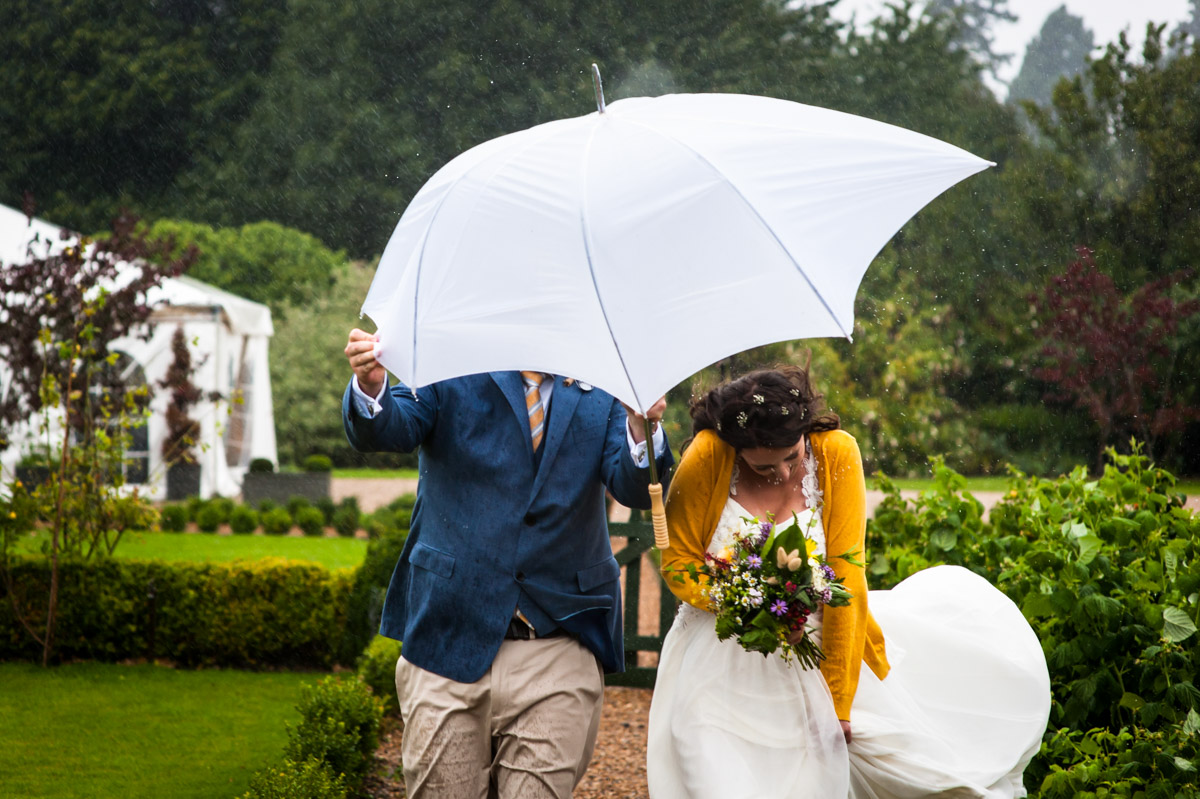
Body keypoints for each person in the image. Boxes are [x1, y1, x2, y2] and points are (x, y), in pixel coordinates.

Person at [647, 365, 1051, 799]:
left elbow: (847, 575)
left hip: (816, 654)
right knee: (714, 778)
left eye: (792, 457)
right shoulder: (709, 453)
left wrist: (838, 701)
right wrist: (752, 603)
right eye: (765, 467)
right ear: (738, 447)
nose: (783, 475)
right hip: (716, 663)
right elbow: (679, 563)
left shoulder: (838, 453)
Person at [343, 328, 674, 799]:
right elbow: (389, 428)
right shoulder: (451, 357)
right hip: (448, 634)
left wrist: (644, 428)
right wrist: (372, 386)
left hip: (560, 638)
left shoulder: (606, 375)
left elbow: (635, 488)